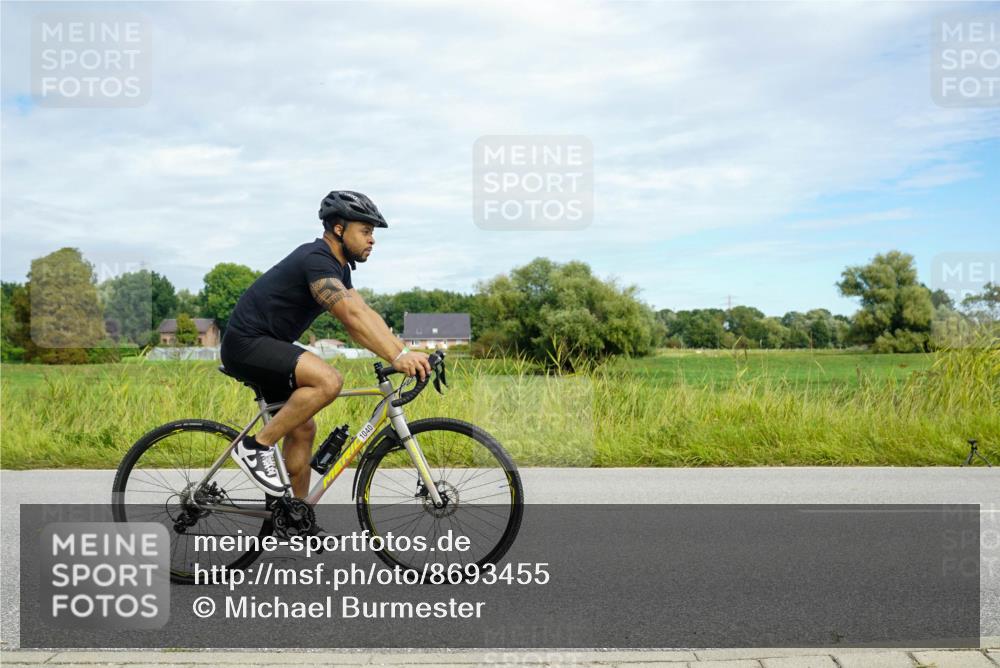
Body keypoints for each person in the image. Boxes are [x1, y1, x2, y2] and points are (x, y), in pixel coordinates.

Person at [220, 190, 432, 498]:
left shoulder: (339, 268)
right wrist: (398, 356)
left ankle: (295, 514)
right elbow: (349, 315)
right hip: (246, 344)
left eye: (372, 233)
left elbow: (364, 314)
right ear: (338, 229)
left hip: (267, 345)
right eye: (366, 231)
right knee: (329, 381)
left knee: (303, 429)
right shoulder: (316, 259)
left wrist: (404, 351)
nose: (372, 240)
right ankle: (256, 447)